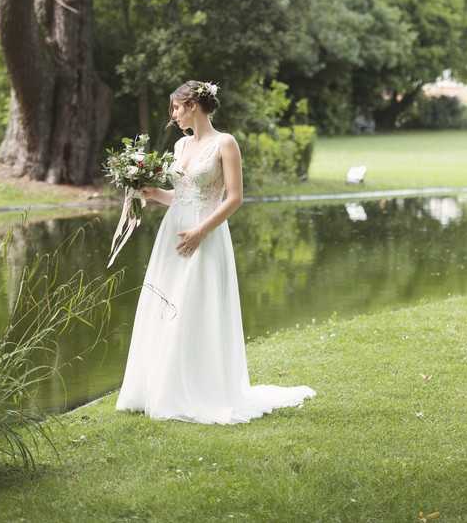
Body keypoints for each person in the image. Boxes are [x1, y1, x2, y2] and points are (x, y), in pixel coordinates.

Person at [115, 79, 316, 424]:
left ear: (193, 105)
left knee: (198, 304)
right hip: (174, 233)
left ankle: (202, 389)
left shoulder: (226, 143)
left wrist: (200, 232)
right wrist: (152, 193)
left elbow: (235, 198)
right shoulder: (179, 147)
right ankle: (160, 386)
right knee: (169, 305)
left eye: (177, 108)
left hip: (206, 233)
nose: (174, 116)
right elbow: (181, 196)